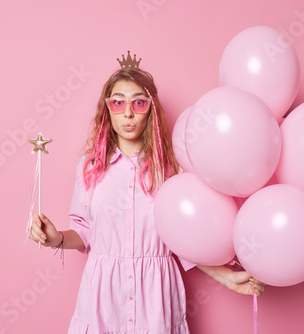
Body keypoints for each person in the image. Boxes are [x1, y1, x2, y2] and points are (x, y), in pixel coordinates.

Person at [28, 53, 266, 333]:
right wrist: (55, 238)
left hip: (157, 299)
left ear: (150, 109)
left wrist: (226, 277)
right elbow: (84, 231)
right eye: (118, 102)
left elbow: (184, 240)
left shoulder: (171, 168)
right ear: (108, 109)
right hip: (103, 299)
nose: (128, 112)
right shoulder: (91, 166)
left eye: (138, 102)